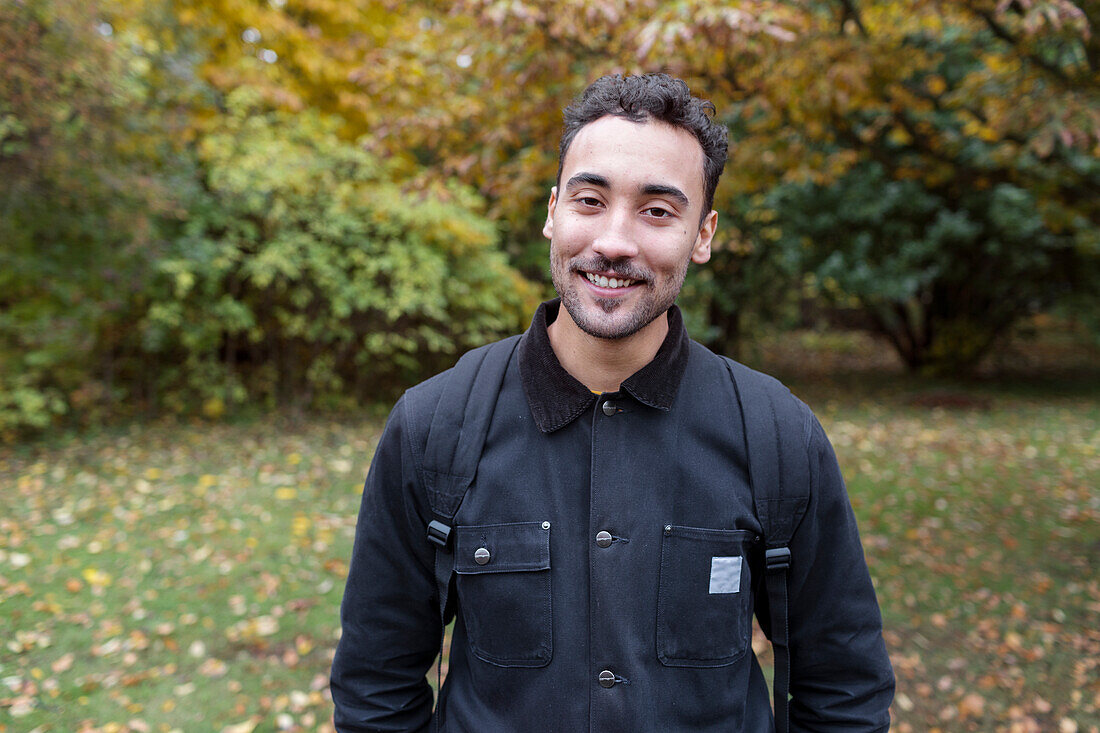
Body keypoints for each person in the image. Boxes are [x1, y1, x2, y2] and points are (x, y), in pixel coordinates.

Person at [331, 73, 894, 732]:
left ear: (703, 234)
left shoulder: (777, 434)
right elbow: (376, 685)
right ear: (552, 212)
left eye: (658, 210)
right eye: (590, 200)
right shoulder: (434, 427)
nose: (614, 241)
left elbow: (844, 690)